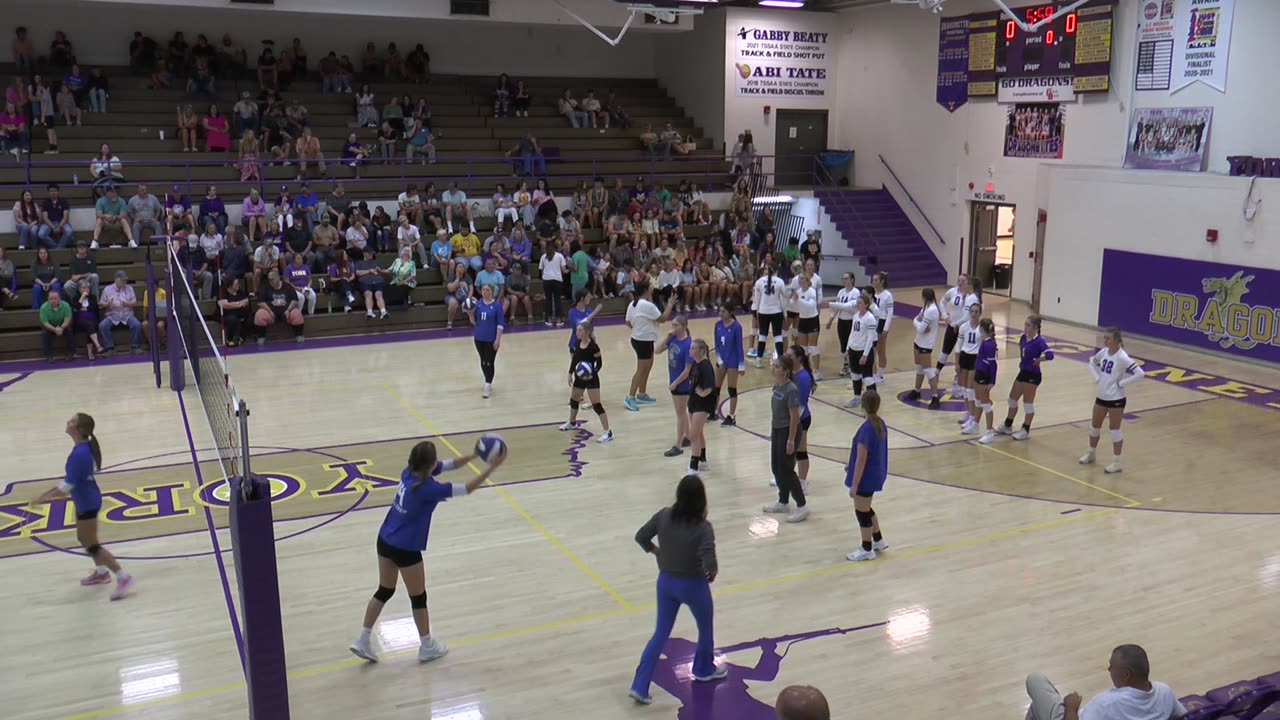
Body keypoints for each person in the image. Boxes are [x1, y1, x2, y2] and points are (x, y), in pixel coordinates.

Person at [349, 440, 506, 664]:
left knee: (385, 590)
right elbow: (468, 488)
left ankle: (362, 639)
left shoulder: (409, 472)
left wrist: (473, 455)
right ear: (430, 465)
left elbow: (448, 465)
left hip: (385, 539)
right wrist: (492, 467)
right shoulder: (428, 489)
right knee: (418, 597)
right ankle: (427, 645)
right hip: (405, 547)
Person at [628, 474, 723, 704]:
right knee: (705, 628)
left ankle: (639, 685)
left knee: (660, 633)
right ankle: (703, 669)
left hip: (666, 583)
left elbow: (641, 536)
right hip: (693, 585)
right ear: (702, 500)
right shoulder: (703, 527)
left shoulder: (663, 516)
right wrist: (711, 572)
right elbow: (709, 562)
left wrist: (656, 551)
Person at [32, 414, 134, 600]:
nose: (67, 423)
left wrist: (45, 498)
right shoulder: (83, 449)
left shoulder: (80, 454)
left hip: (87, 503)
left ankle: (123, 577)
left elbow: (67, 486)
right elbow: (73, 481)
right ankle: (102, 573)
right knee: (83, 538)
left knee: (93, 546)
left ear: (79, 430)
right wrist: (50, 494)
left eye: (71, 422)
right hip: (85, 499)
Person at [1025, 645, 1185, 720]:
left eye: (1112, 666)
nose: (1108, 669)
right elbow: (1183, 715)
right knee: (1036, 709)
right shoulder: (1164, 691)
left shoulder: (1107, 704)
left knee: (1035, 680)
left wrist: (1071, 708)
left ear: (1126, 674)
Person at [1081, 328, 1144, 474]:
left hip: (1116, 399)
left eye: (1108, 338)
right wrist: (1096, 378)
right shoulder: (1103, 352)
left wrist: (1122, 383)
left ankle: (1117, 462)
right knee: (1094, 427)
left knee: (1114, 431)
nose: (1105, 341)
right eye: (1104, 338)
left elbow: (1140, 373)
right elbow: (1091, 362)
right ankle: (1091, 453)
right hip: (1101, 396)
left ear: (1116, 340)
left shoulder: (1122, 357)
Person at [763, 354, 808, 522]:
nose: (773, 369)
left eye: (776, 367)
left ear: (786, 371)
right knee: (776, 467)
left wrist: (790, 440)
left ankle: (802, 506)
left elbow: (794, 417)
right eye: (773, 366)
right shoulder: (777, 386)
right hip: (777, 430)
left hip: (788, 432)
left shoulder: (791, 390)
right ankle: (783, 501)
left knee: (787, 470)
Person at [1000, 315, 1055, 440]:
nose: (1025, 327)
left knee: (1027, 404)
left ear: (1035, 327)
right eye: (1025, 324)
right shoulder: (1023, 338)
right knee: (1012, 399)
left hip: (1033, 375)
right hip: (1023, 372)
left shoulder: (1039, 341)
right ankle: (1007, 425)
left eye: (1028, 325)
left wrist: (1039, 360)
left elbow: (1050, 355)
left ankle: (1025, 429)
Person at [560, 320, 614, 443]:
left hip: (591, 379)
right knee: (574, 400)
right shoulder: (578, 343)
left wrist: (592, 374)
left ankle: (607, 432)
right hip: (579, 377)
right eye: (577, 330)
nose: (577, 332)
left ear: (587, 332)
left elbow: (599, 364)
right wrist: (569, 373)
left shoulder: (593, 346)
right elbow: (575, 360)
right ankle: (572, 422)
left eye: (580, 330)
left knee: (596, 405)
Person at [655, 315, 694, 458]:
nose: (673, 328)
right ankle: (688, 437)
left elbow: (687, 370)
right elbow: (657, 350)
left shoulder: (689, 344)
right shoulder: (672, 339)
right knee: (681, 412)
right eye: (672, 325)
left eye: (676, 326)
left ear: (684, 327)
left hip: (682, 384)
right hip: (674, 381)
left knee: (681, 413)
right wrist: (667, 337)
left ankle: (678, 444)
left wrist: (675, 383)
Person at [938, 274, 979, 395]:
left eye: (963, 281)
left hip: (963, 328)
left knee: (962, 353)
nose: (960, 283)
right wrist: (945, 316)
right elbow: (942, 302)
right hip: (953, 326)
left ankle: (959, 380)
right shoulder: (952, 291)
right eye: (959, 280)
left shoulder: (972, 298)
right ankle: (936, 372)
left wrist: (959, 324)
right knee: (946, 350)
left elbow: (969, 315)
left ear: (968, 283)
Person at [909, 288, 944, 408]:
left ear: (923, 296)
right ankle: (917, 391)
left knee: (928, 370)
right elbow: (916, 321)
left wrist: (917, 323)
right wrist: (918, 323)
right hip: (919, 341)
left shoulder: (932, 310)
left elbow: (920, 327)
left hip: (926, 344)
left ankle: (935, 397)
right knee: (919, 368)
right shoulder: (926, 307)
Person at [787, 345, 816, 492]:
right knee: (790, 450)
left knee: (801, 450)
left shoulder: (804, 378)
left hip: (801, 419)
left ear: (798, 358)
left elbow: (801, 405)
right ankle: (787, 476)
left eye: (790, 356)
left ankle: (803, 482)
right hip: (791, 418)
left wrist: (792, 423)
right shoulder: (790, 373)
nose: (788, 359)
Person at [685, 339, 716, 474]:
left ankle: (694, 466)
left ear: (701, 350)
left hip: (703, 404)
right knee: (699, 433)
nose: (690, 350)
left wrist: (702, 394)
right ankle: (703, 461)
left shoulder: (706, 366)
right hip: (694, 402)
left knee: (693, 435)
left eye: (693, 348)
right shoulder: (695, 364)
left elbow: (710, 386)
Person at [470, 283, 504, 399]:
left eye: (487, 290)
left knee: (489, 361)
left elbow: (500, 324)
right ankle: (487, 380)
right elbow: (474, 322)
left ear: (492, 292)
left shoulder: (497, 306)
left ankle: (488, 384)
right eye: (483, 290)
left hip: (491, 339)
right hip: (479, 338)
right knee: (483, 361)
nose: (485, 292)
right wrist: (470, 313)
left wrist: (497, 340)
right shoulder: (478, 304)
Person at [713, 305, 745, 427]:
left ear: (730, 312)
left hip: (733, 362)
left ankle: (731, 416)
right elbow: (716, 345)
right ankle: (714, 411)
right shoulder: (718, 325)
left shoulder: (737, 327)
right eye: (720, 311)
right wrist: (719, 361)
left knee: (731, 389)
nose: (721, 314)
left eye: (724, 311)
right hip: (721, 361)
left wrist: (741, 366)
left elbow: (739, 347)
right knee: (716, 388)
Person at [254, 269, 305, 345]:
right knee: (259, 315)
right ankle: (261, 336)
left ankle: (299, 335)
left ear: (278, 278)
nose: (270, 282)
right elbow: (260, 302)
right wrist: (270, 311)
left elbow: (295, 300)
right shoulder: (265, 287)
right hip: (271, 314)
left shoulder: (287, 286)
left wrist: (288, 310)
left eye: (272, 280)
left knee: (297, 314)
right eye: (269, 280)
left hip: (287, 313)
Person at [98, 271, 142, 356]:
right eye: (122, 280)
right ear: (116, 280)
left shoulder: (129, 288)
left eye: (125, 280)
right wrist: (108, 304)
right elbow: (101, 304)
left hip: (127, 314)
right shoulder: (107, 289)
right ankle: (109, 348)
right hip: (112, 315)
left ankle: (134, 347)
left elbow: (134, 303)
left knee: (137, 324)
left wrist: (127, 303)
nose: (124, 282)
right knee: (102, 325)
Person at [753, 262, 788, 367]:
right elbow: (784, 299)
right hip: (776, 311)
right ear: (777, 271)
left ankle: (759, 360)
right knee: (778, 336)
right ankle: (781, 360)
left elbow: (756, 299)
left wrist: (757, 311)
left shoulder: (759, 281)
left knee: (762, 335)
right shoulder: (780, 282)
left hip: (763, 311)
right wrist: (785, 313)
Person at [956, 303, 983, 432]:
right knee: (964, 388)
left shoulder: (982, 329)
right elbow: (959, 345)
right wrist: (956, 362)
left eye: (976, 311)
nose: (973, 314)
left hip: (975, 357)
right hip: (964, 356)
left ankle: (973, 417)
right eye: (972, 311)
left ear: (979, 313)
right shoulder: (963, 327)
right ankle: (968, 412)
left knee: (970, 389)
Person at [971, 319, 1000, 443]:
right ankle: (975, 425)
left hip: (984, 376)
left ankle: (989, 431)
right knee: (978, 400)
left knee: (985, 403)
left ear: (981, 329)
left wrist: (992, 381)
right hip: (979, 374)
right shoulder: (985, 342)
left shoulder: (989, 345)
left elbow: (993, 365)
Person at [870, 271, 894, 385]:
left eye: (875, 280)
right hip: (872, 322)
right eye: (873, 280)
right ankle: (874, 374)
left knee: (880, 350)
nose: (873, 282)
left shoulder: (887, 295)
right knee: (873, 349)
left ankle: (879, 374)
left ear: (882, 282)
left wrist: (886, 328)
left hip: (882, 322)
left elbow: (890, 313)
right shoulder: (872, 294)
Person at [39, 290, 76, 362]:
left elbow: (67, 321)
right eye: (51, 299)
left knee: (69, 330)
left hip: (63, 325)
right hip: (50, 326)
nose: (53, 300)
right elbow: (45, 323)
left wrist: (61, 328)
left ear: (59, 298)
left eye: (55, 298)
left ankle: (70, 353)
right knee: (45, 333)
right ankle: (48, 355)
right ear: (48, 299)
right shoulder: (43, 307)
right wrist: (55, 329)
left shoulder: (66, 305)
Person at [538, 239, 567, 326]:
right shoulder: (560, 256)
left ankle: (549, 319)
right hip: (557, 279)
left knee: (548, 300)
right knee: (557, 299)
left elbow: (541, 269)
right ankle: (559, 319)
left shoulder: (543, 257)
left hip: (547, 280)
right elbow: (563, 269)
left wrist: (545, 277)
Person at [218, 277, 253, 346]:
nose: (238, 285)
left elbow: (246, 301)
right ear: (230, 285)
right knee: (233, 319)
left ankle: (241, 337)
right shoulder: (223, 293)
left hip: (240, 313)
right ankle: (230, 339)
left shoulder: (240, 292)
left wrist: (234, 304)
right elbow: (225, 305)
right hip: (227, 314)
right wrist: (239, 304)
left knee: (250, 319)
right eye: (236, 284)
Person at [40, 184, 75, 249]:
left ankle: (59, 248)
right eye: (51, 191)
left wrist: (59, 227)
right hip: (49, 223)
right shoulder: (45, 202)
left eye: (55, 191)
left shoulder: (63, 201)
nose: (53, 192)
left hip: (62, 222)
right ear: (48, 192)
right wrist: (53, 228)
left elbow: (65, 216)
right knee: (41, 234)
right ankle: (56, 247)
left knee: (69, 232)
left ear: (58, 192)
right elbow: (45, 218)